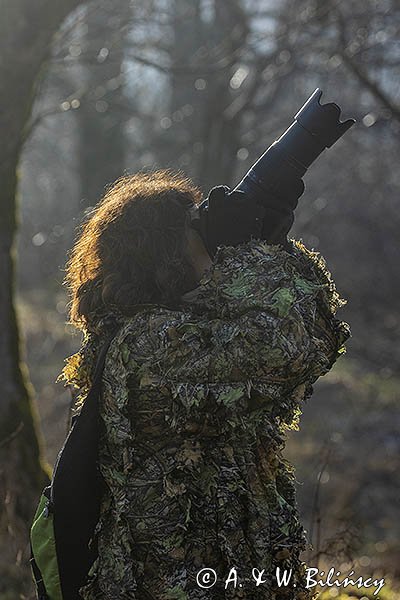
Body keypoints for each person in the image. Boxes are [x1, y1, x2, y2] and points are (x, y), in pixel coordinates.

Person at [57, 169, 350, 599]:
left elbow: (312, 336)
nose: (209, 239)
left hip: (223, 568)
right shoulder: (149, 342)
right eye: (196, 227)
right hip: (177, 580)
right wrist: (251, 252)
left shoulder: (185, 326)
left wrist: (271, 245)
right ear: (164, 251)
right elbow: (287, 346)